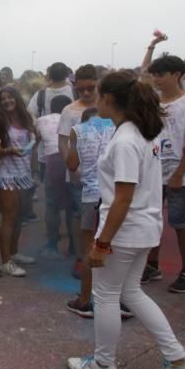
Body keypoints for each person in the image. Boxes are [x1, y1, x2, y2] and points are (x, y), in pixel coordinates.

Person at [67, 72, 185, 369]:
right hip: (143, 227)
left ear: (110, 100)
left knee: (104, 296)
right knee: (130, 292)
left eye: (99, 94)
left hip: (125, 230)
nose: (96, 100)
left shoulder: (127, 139)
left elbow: (123, 197)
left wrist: (102, 243)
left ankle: (104, 364)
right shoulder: (143, 133)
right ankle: (177, 358)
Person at [143, 54, 185, 292]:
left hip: (180, 174)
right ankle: (151, 265)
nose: (156, 80)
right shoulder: (152, 103)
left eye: (161, 75)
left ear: (177, 75)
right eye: (154, 75)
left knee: (182, 224)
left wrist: (179, 173)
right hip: (153, 173)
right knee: (152, 220)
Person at [64, 107, 121, 318]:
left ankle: (85, 300)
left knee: (90, 247)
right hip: (117, 194)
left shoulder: (78, 130)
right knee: (115, 247)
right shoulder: (118, 128)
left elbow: (71, 163)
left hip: (91, 195)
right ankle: (119, 301)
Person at [58, 65, 101, 274]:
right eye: (81, 89)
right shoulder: (70, 111)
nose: (85, 93)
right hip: (78, 176)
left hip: (105, 175)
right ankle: (80, 256)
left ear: (97, 84)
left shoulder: (107, 107)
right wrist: (72, 169)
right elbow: (63, 142)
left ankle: (101, 255)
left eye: (90, 88)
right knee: (78, 216)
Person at [0, 86, 36, 277]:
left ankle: (14, 253)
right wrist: (9, 151)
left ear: (17, 98)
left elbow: (33, 141)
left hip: (23, 172)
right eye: (3, 99)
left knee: (20, 216)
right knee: (9, 216)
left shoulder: (27, 118)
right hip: (5, 175)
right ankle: (5, 262)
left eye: (10, 97)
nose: (7, 101)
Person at [36, 95, 73, 258]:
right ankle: (74, 245)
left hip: (52, 162)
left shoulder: (42, 120)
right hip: (73, 159)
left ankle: (52, 244)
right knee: (73, 206)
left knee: (52, 207)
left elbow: (39, 143)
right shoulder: (75, 117)